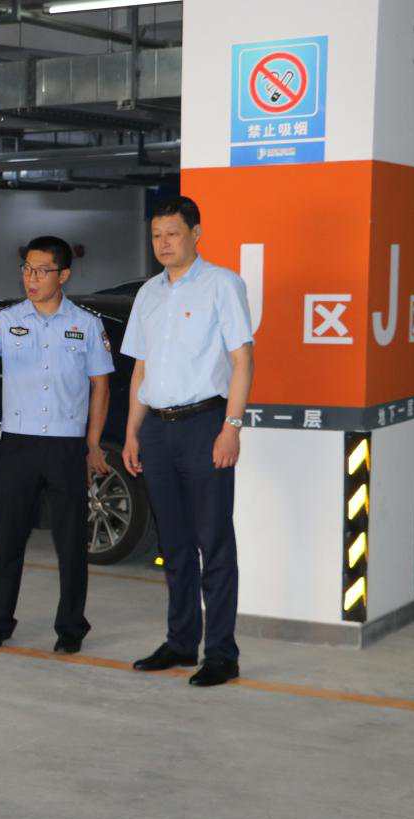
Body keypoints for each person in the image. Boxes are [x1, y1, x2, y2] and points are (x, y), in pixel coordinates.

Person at [121, 195, 254, 688]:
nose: (163, 243)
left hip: (205, 425)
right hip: (156, 429)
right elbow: (140, 368)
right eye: (156, 235)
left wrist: (231, 427)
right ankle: (180, 642)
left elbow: (242, 360)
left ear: (196, 234)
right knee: (173, 544)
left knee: (213, 542)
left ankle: (221, 653)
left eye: (172, 233)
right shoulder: (147, 294)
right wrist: (132, 432)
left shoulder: (222, 284)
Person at [0, 236, 114, 655]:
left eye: (42, 270)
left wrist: (93, 443)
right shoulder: (7, 320)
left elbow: (101, 386)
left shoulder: (86, 324)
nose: (31, 278)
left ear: (63, 275)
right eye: (27, 269)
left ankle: (71, 628)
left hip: (66, 445)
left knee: (71, 542)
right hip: (19, 445)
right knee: (8, 539)